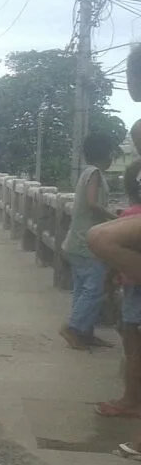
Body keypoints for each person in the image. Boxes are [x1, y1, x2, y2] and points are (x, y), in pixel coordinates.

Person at [59, 132, 119, 350]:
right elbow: (92, 203)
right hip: (87, 242)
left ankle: (85, 333)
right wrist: (115, 218)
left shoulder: (88, 172)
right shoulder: (94, 173)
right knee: (95, 289)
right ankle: (73, 328)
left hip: (77, 240)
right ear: (107, 153)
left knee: (83, 288)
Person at [95, 160, 141, 416]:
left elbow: (114, 256)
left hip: (135, 290)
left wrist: (110, 279)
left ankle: (130, 400)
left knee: (133, 349)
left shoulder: (130, 217)